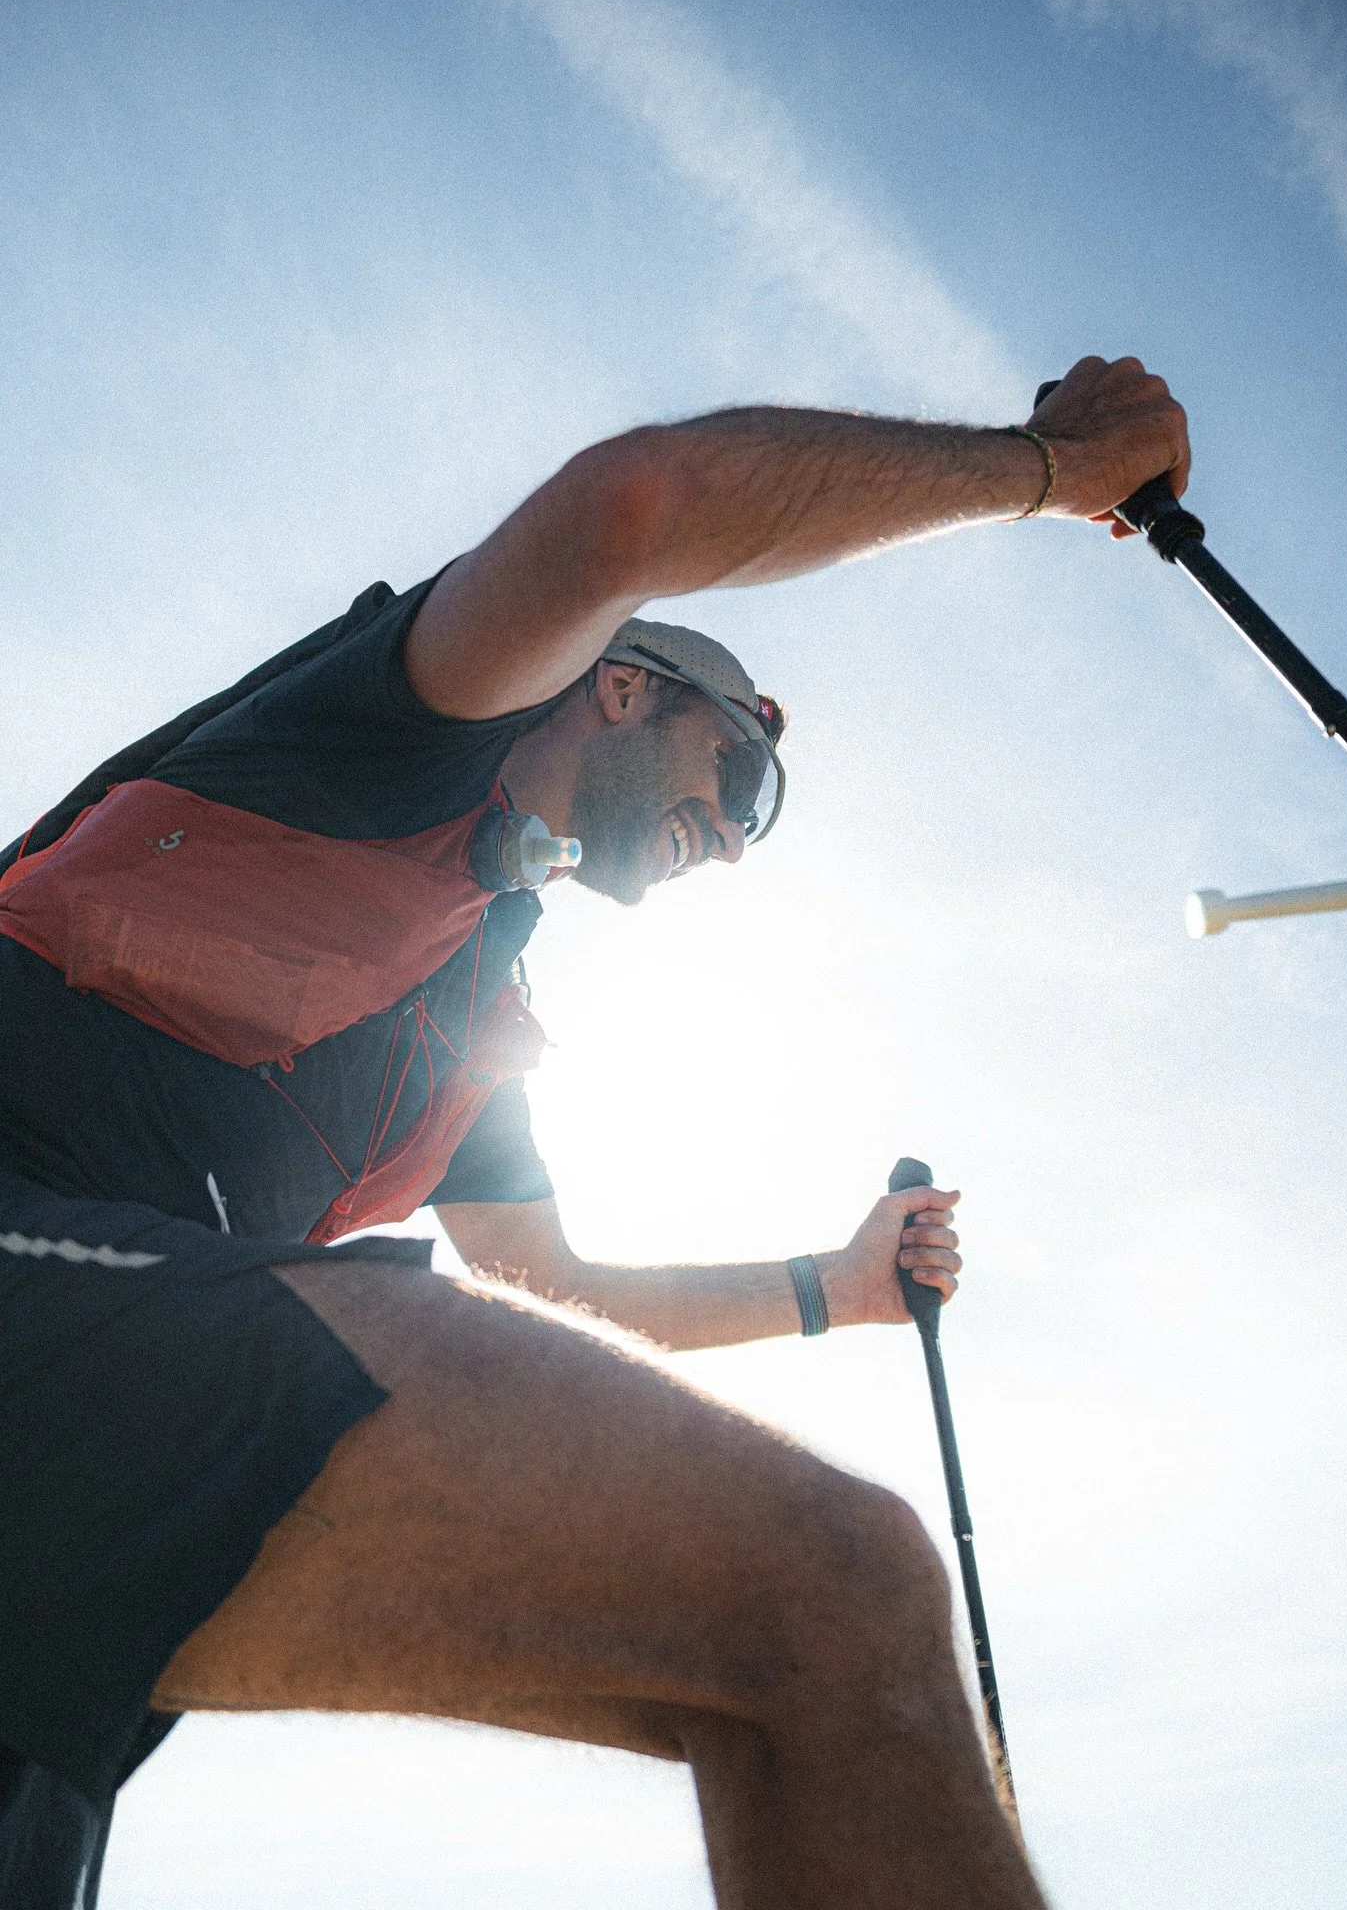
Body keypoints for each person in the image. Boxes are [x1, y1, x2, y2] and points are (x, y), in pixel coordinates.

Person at [0, 354, 1189, 1909]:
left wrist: (837, 1288)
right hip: (56, 1290)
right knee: (836, 1585)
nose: (734, 836)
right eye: (738, 775)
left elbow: (556, 1294)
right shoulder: (410, 726)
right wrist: (1048, 467)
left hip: (98, 1390)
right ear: (625, 687)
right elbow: (634, 508)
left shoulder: (477, 1016)